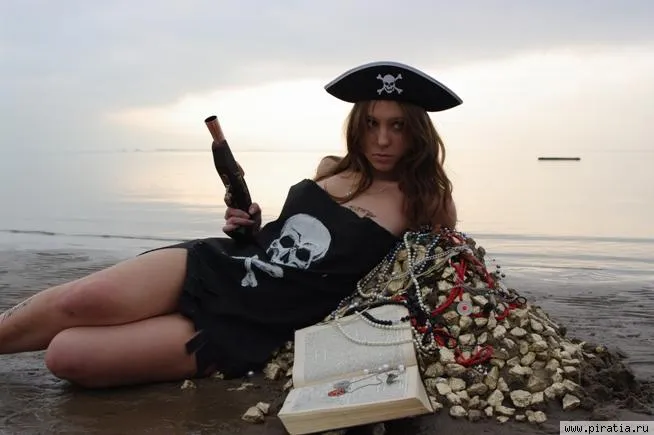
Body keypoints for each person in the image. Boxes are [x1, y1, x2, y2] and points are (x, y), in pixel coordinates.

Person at [0, 61, 462, 389]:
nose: (382, 139)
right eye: (372, 123)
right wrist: (253, 227)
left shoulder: (427, 203)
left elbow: (431, 286)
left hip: (257, 323)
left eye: (397, 126)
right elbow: (288, 236)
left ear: (417, 131)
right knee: (84, 299)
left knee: (68, 355)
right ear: (357, 125)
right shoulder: (332, 168)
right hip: (223, 264)